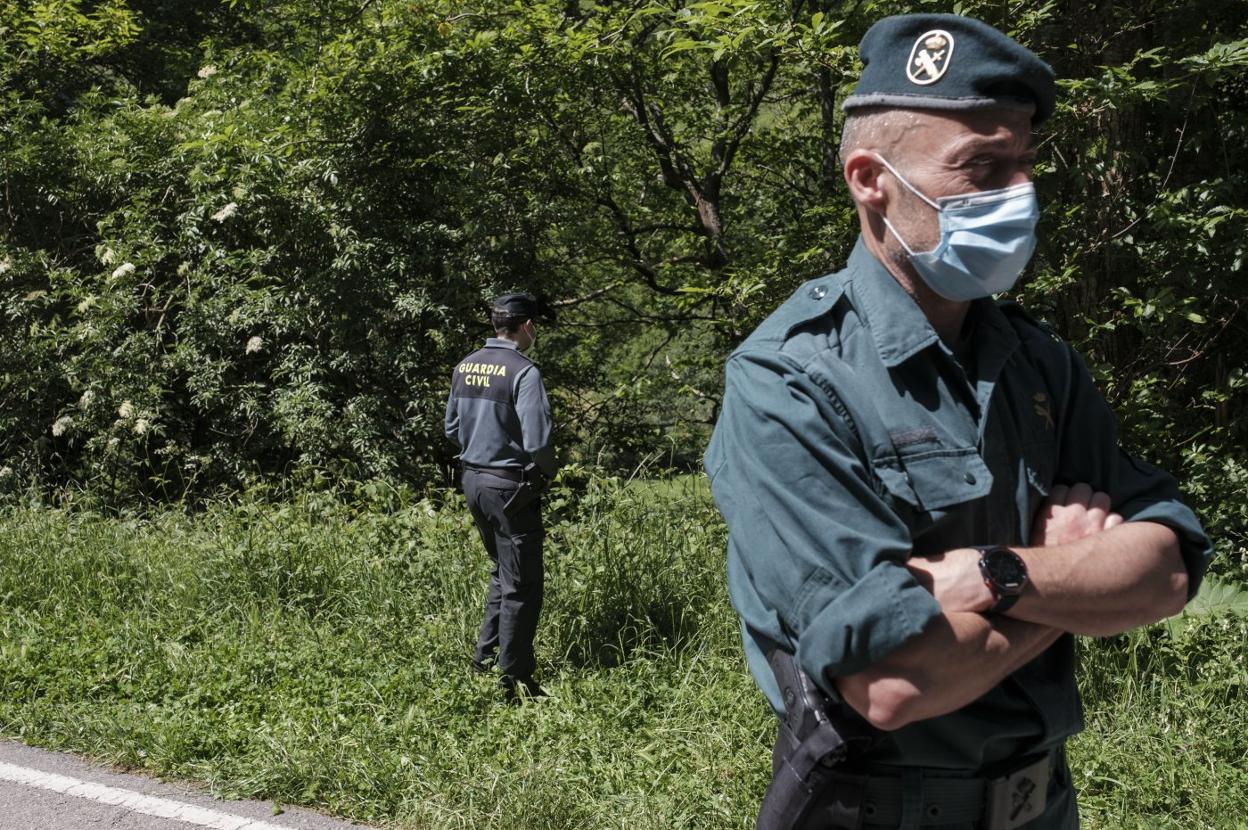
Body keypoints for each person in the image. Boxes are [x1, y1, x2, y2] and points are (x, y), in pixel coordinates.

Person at [704, 14, 1213, 829]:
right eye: (983, 167)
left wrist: (995, 575)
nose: (1020, 194)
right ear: (871, 179)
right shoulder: (788, 379)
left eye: (1024, 164)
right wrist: (1067, 569)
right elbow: (896, 682)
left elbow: (1168, 570)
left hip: (1043, 806)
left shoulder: (1040, 363)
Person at [445, 292, 556, 702]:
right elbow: (538, 439)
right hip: (511, 487)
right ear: (526, 325)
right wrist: (547, 471)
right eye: (535, 325)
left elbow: (452, 428)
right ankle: (515, 683)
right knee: (523, 585)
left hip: (472, 480)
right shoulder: (524, 372)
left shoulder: (465, 366)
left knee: (501, 571)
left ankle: (483, 661)